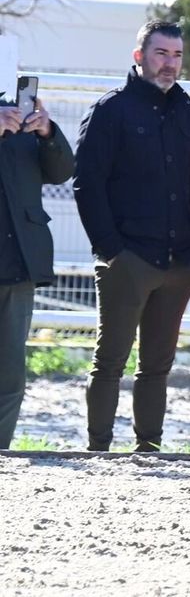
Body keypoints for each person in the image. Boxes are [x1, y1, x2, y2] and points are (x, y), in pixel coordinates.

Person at [74, 19, 190, 452]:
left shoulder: (186, 112)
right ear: (139, 56)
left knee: (157, 366)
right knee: (109, 361)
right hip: (127, 260)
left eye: (177, 55)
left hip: (179, 262)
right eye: (160, 53)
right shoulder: (110, 110)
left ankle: (149, 449)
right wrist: (112, 250)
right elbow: (87, 184)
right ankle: (98, 449)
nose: (170, 63)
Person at [0, 86, 76, 449]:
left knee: (10, 374)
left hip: (18, 263)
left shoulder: (18, 109)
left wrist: (47, 131)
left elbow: (61, 171)